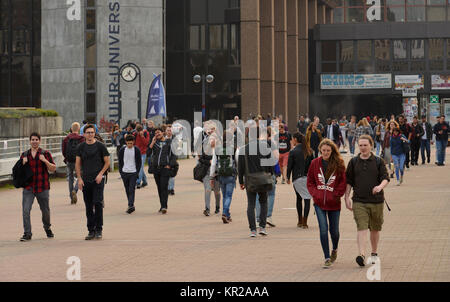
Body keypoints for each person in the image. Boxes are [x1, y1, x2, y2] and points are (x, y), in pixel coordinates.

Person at [345, 134, 390, 267]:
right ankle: (361, 254)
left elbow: (386, 178)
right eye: (361, 145)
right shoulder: (353, 162)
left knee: (375, 229)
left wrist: (379, 187)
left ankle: (374, 252)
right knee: (361, 226)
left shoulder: (378, 161)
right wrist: (346, 197)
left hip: (377, 201)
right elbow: (349, 181)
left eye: (365, 145)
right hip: (359, 201)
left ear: (371, 146)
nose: (363, 148)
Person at [307, 139, 346, 268]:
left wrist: (336, 194)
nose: (325, 153)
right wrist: (315, 194)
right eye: (323, 150)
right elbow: (310, 182)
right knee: (323, 229)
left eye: (328, 150)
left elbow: (342, 182)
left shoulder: (339, 164)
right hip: (319, 203)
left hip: (334, 203)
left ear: (332, 151)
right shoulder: (314, 163)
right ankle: (326, 257)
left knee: (334, 231)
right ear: (320, 150)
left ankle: (334, 248)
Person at [238, 126, 275, 237]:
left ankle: (253, 230)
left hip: (250, 179)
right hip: (263, 179)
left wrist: (241, 181)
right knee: (263, 202)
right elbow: (270, 163)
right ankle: (262, 227)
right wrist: (271, 175)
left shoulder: (243, 149)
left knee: (251, 204)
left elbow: (241, 167)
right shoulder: (265, 146)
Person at [19, 132, 56, 241]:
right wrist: (22, 164)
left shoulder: (45, 153)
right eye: (32, 139)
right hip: (28, 188)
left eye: (36, 139)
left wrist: (44, 160)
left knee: (45, 211)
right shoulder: (24, 154)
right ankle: (27, 233)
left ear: (40, 141)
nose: (34, 141)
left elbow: (53, 168)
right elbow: (18, 173)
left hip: (42, 187)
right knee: (25, 210)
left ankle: (47, 227)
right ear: (30, 141)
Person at [76, 124, 110, 240]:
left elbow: (107, 162)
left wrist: (101, 174)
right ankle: (91, 230)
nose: (90, 134)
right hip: (86, 180)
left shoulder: (100, 146)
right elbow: (77, 164)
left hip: (98, 180)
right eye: (88, 132)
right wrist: (79, 179)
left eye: (92, 132)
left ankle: (99, 229)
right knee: (88, 205)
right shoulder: (81, 147)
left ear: (95, 133)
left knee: (98, 203)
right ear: (84, 134)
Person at [209, 130, 237, 224]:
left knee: (225, 195)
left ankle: (227, 215)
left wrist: (211, 177)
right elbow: (237, 162)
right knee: (228, 196)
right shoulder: (233, 149)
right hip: (231, 175)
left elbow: (213, 164)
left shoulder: (217, 149)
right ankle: (225, 213)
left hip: (221, 176)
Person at [148, 127, 177, 214]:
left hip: (165, 168)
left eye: (159, 132)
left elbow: (174, 155)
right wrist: (152, 143)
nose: (157, 134)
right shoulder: (154, 143)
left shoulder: (169, 143)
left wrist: (170, 165)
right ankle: (162, 205)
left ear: (163, 133)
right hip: (156, 169)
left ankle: (164, 206)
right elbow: (148, 153)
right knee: (159, 188)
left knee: (164, 187)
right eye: (155, 133)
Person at [287, 132, 313, 229]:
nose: (292, 141)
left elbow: (290, 166)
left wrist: (287, 177)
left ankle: (300, 221)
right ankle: (305, 221)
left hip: (297, 178)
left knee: (298, 198)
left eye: (292, 139)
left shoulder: (293, 152)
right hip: (308, 177)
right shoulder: (310, 151)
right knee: (307, 199)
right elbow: (313, 165)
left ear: (296, 140)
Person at [255, 126, 279, 227]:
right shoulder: (270, 143)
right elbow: (277, 157)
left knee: (257, 195)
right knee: (271, 194)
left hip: (256, 173)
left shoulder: (254, 144)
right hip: (269, 172)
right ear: (268, 135)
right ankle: (268, 216)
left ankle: (258, 218)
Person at [62, 122, 85, 204]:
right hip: (79, 161)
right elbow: (83, 150)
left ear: (71, 129)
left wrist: (66, 158)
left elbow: (63, 151)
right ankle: (75, 190)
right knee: (80, 177)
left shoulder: (66, 139)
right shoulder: (82, 138)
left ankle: (71, 196)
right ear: (78, 129)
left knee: (70, 177)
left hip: (69, 161)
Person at [118, 134, 142, 214]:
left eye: (131, 143)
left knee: (132, 189)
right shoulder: (122, 150)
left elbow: (139, 162)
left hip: (133, 172)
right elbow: (120, 162)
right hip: (125, 172)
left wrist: (137, 172)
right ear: (126, 142)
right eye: (128, 143)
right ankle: (131, 205)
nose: (130, 145)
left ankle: (130, 205)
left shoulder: (136, 150)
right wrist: (121, 172)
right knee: (127, 189)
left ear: (133, 142)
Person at [134, 124, 150, 189]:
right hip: (136, 153)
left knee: (140, 167)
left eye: (139, 131)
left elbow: (146, 143)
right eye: (137, 131)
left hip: (143, 153)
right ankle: (145, 181)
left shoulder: (146, 133)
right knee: (140, 168)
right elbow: (133, 143)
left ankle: (138, 182)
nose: (138, 133)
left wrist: (142, 136)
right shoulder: (134, 134)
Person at [165, 125, 176, 195]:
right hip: (165, 160)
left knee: (172, 175)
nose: (169, 132)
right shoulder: (163, 139)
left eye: (170, 130)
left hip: (172, 159)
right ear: (165, 131)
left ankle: (171, 189)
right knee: (166, 175)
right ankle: (167, 188)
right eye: (168, 130)